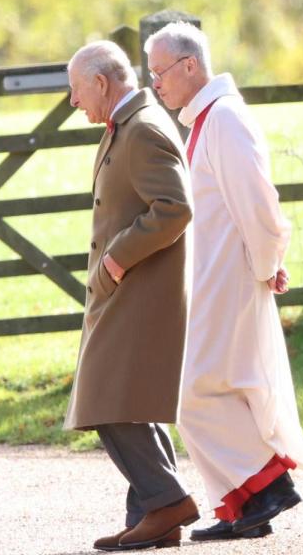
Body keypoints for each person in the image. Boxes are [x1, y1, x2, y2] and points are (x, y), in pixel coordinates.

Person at [143, 22, 303, 542]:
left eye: (160, 73)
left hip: (233, 280)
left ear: (190, 65)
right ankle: (241, 506)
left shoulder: (225, 120)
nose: (157, 85)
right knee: (205, 391)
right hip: (215, 278)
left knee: (193, 393)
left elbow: (260, 205)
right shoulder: (207, 119)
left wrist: (267, 264)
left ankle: (265, 486)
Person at [63, 40, 197, 552]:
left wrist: (116, 259)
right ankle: (152, 516)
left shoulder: (141, 128)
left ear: (101, 82)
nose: (74, 101)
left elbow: (175, 207)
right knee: (129, 400)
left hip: (139, 286)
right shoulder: (129, 124)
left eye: (76, 89)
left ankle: (167, 501)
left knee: (107, 399)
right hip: (128, 288)